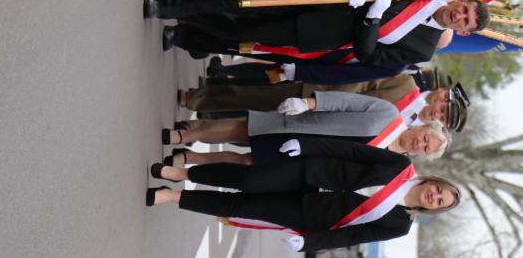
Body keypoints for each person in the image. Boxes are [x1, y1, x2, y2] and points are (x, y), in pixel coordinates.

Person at [146, 137, 461, 252]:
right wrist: (307, 145)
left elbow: (352, 236)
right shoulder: (400, 166)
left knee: (241, 206)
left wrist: (309, 243)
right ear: (433, 182)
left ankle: (172, 197)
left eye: (439, 202)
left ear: (434, 209)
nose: (434, 196)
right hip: (309, 171)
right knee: (248, 179)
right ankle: (185, 174)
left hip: (309, 213)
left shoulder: (399, 225)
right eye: (438, 190)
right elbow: (352, 151)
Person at [143, 0, 491, 66]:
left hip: (317, 31)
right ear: (460, 1)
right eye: (464, 10)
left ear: (463, 32)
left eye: (465, 22)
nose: (459, 17)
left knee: (238, 32)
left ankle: (189, 19)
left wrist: (373, 19)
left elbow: (369, 54)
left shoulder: (423, 49)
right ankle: (168, 4)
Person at [161, 91, 450, 166]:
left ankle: (193, 157)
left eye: (425, 149)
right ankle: (188, 134)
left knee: (248, 161)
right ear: (422, 128)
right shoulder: (389, 114)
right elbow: (346, 102)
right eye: (426, 138)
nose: (420, 144)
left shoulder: (391, 161)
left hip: (307, 156)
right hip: (305, 124)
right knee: (242, 130)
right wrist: (309, 103)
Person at [178, 72, 469, 133]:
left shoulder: (413, 135)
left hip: (324, 129)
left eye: (443, 119)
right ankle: (197, 98)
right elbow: (361, 84)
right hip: (319, 100)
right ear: (441, 100)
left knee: (251, 129)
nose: (438, 114)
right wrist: (321, 101)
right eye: (444, 109)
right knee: (255, 97)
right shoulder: (406, 85)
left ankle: (195, 128)